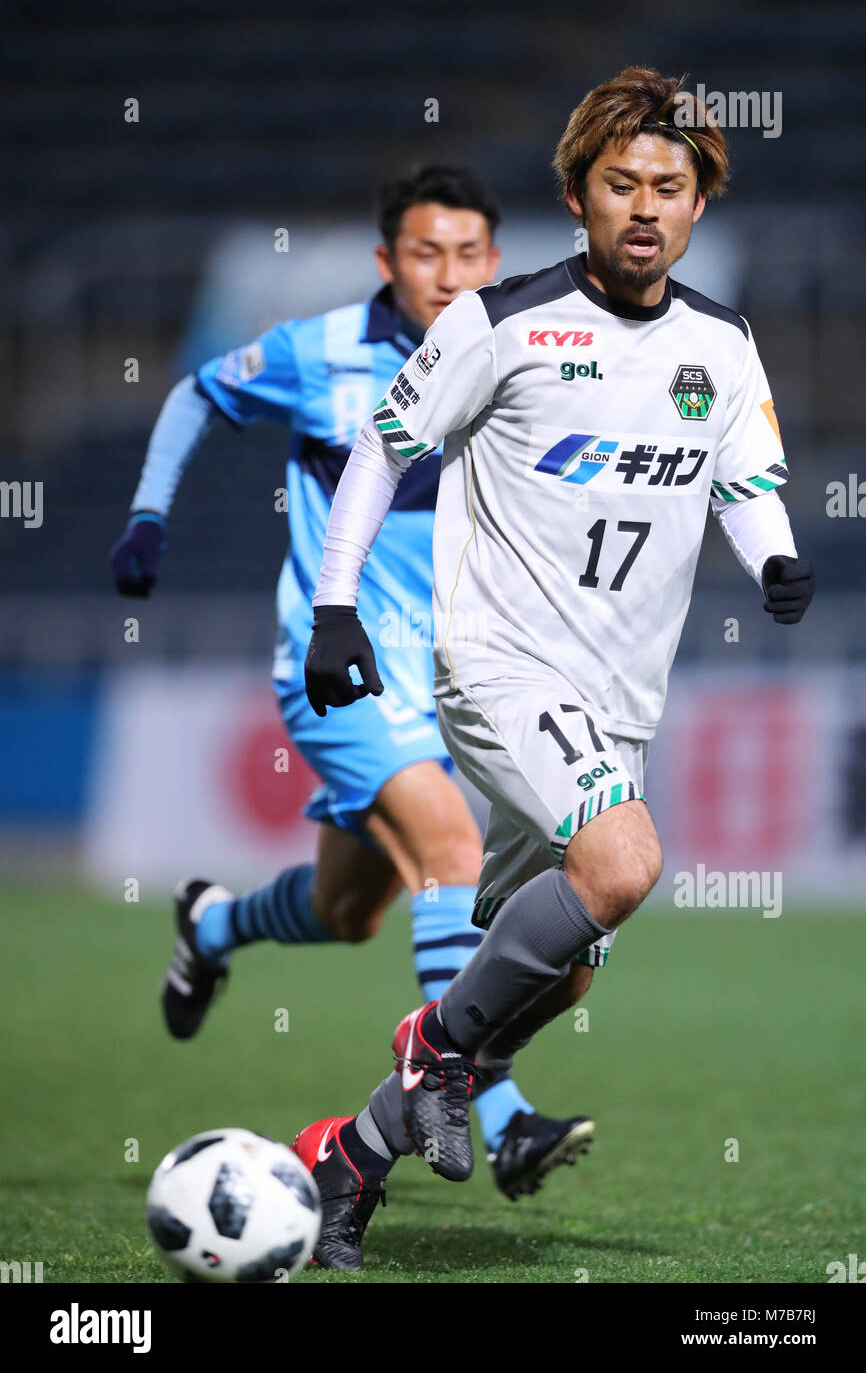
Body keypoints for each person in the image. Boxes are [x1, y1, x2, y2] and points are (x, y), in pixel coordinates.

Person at [296, 66, 815, 1269]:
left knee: (555, 976)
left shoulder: (722, 345)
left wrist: (774, 556)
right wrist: (336, 608)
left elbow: (743, 482)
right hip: (499, 665)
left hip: (617, 702)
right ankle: (434, 1050)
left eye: (668, 187)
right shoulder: (498, 322)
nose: (644, 206)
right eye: (618, 183)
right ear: (575, 197)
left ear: (697, 206)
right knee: (624, 860)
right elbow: (379, 454)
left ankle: (348, 1157)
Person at [109, 166, 593, 1239]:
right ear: (388, 262)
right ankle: (495, 1107)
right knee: (449, 847)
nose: (449, 274)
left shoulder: (515, 355)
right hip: (335, 664)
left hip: (452, 678)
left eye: (470, 255)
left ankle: (213, 923)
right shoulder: (315, 351)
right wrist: (148, 514)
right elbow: (196, 393)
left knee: (347, 911)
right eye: (426, 254)